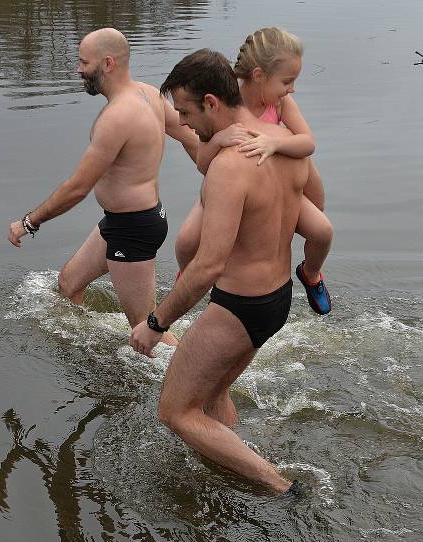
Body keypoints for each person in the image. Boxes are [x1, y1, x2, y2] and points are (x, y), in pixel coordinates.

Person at [130, 48, 309, 495]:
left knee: (173, 411)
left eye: (188, 113)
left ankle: (282, 489)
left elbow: (208, 265)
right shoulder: (280, 138)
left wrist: (156, 324)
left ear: (212, 102)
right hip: (277, 297)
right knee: (211, 395)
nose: (185, 124)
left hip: (240, 306)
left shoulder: (230, 167)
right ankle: (232, 451)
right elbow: (315, 215)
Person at [7, 28, 199, 347]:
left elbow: (77, 188)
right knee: (68, 285)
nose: (78, 69)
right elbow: (193, 139)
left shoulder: (117, 117)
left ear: (107, 63)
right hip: (121, 221)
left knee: (148, 332)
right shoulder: (149, 95)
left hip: (133, 228)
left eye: (84, 62)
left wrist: (30, 222)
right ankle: (95, 352)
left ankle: (194, 375)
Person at [175, 27, 333, 315]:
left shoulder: (282, 103)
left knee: (322, 231)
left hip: (273, 190)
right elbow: (202, 164)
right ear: (259, 75)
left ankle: (311, 274)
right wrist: (219, 140)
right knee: (186, 242)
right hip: (225, 188)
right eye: (287, 81)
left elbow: (307, 142)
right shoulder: (223, 101)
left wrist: (274, 142)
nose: (292, 88)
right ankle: (188, 282)